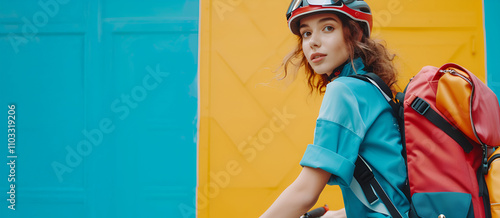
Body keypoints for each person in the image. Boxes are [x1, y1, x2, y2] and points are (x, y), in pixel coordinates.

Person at [260, 0, 410, 217]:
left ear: (355, 33)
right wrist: (337, 215)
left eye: (327, 28)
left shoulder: (344, 91)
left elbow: (305, 192)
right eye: (306, 33)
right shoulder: (374, 88)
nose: (313, 42)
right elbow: (388, 191)